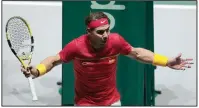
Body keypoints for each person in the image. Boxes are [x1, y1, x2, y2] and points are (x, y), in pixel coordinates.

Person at [21, 12, 193, 106]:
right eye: (100, 32)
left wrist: (166, 61)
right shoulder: (76, 46)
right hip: (85, 102)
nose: (105, 35)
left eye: (107, 30)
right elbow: (54, 60)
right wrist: (37, 71)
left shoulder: (115, 41)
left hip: (112, 100)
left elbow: (138, 53)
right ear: (89, 32)